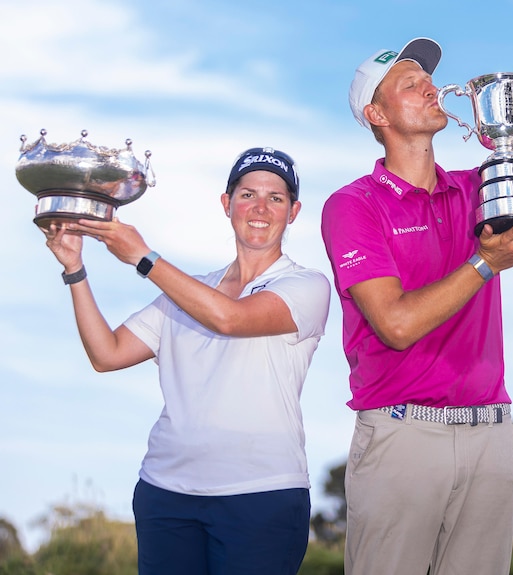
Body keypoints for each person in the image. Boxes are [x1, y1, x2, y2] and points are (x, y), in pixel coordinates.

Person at [320, 37, 513, 575]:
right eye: (410, 84)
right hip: (403, 436)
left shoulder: (480, 184)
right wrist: (485, 264)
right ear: (376, 113)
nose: (431, 88)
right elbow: (396, 324)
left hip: (492, 437)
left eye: (429, 80)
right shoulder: (353, 205)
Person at [43, 147, 331, 575]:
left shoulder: (306, 286)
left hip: (261, 495)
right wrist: (75, 269)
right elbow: (107, 354)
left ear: (293, 212)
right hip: (166, 493)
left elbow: (230, 319)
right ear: (226, 203)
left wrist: (144, 257)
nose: (260, 208)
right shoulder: (187, 291)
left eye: (276, 198)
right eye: (248, 194)